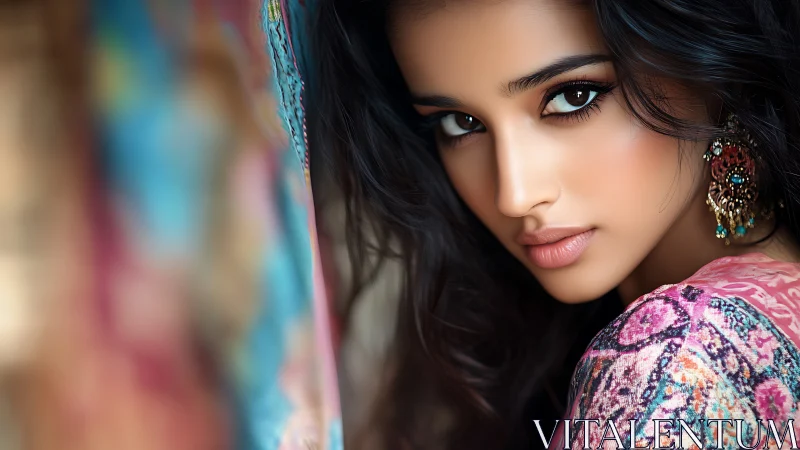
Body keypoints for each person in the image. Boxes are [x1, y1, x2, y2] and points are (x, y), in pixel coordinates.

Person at [306, 0, 800, 449]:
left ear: (717, 72)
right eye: (460, 123)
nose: (514, 194)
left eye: (572, 97)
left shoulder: (674, 364)